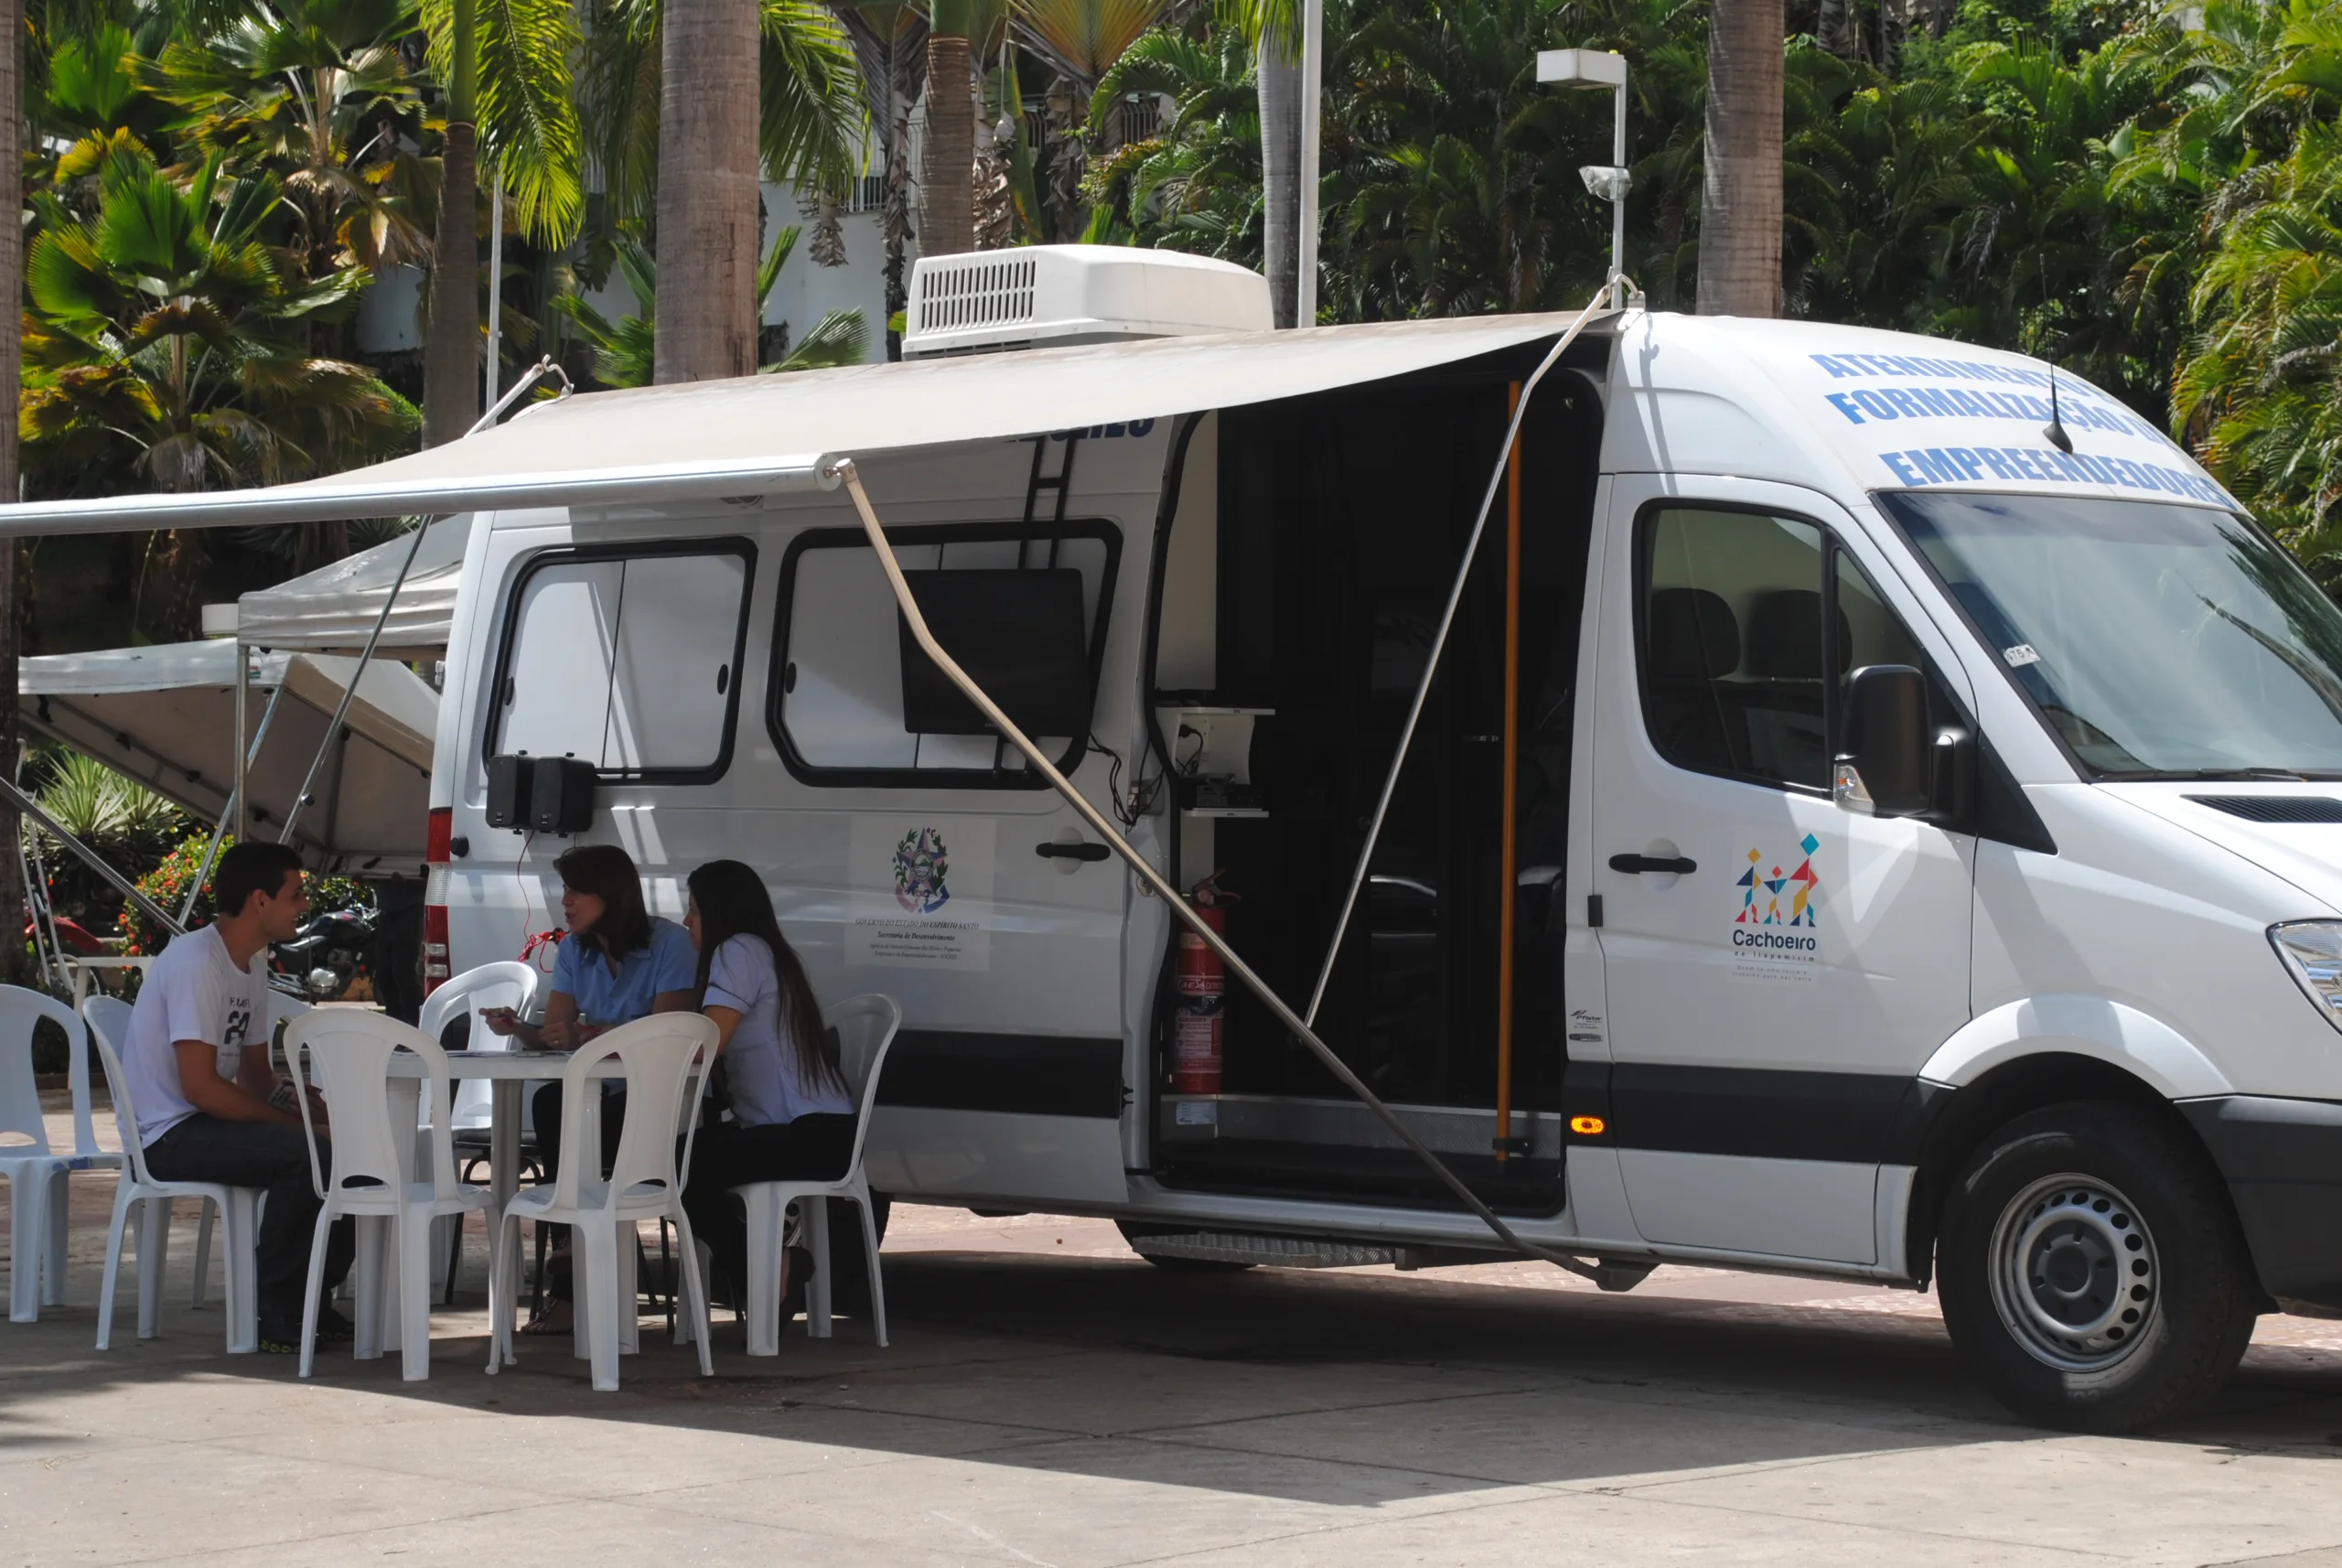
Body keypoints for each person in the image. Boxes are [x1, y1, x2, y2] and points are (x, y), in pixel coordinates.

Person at [130, 842, 356, 1354]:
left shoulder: (250, 966)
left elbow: (255, 1077)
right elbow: (202, 1088)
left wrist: (301, 1102)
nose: (303, 906)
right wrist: (296, 1129)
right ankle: (274, 1310)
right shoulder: (196, 962)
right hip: (167, 1134)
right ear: (260, 900)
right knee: (307, 1156)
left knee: (352, 1152)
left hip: (206, 1120)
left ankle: (312, 1303)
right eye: (295, 894)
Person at [480, 843, 694, 1331]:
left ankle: (570, 1257)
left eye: (577, 892)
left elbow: (669, 1035)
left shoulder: (669, 944)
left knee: (571, 1112)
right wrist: (521, 1030)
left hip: (660, 1102)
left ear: (610, 895)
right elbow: (556, 1037)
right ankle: (569, 1247)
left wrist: (587, 1036)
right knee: (554, 1099)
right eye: (565, 891)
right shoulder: (574, 949)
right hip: (599, 1098)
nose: (566, 902)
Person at [677, 859, 855, 1318]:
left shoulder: (737, 950)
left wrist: (627, 1044)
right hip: (823, 1133)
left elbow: (708, 1043)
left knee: (678, 1163)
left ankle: (767, 1269)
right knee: (684, 1158)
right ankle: (765, 1273)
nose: (686, 921)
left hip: (805, 1135)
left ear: (720, 911)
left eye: (694, 909)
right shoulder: (768, 951)